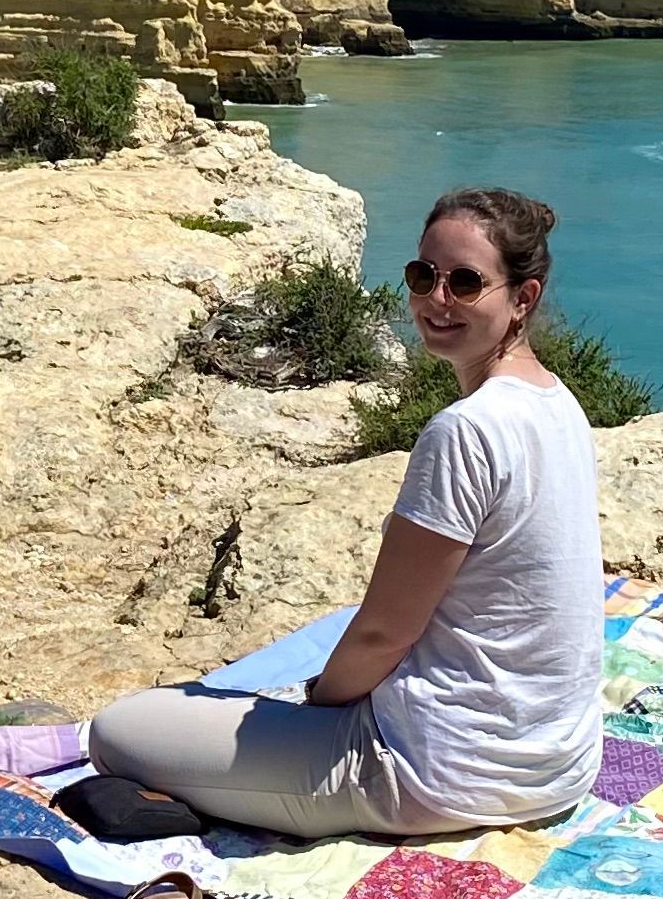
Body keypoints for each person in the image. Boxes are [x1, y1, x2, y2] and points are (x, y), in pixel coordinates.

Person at [84, 187, 604, 838]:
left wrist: (317, 707)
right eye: (424, 276)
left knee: (118, 730)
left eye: (466, 283)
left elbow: (385, 634)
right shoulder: (558, 404)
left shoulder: (465, 431)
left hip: (436, 771)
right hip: (558, 766)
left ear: (521, 299)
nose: (436, 300)